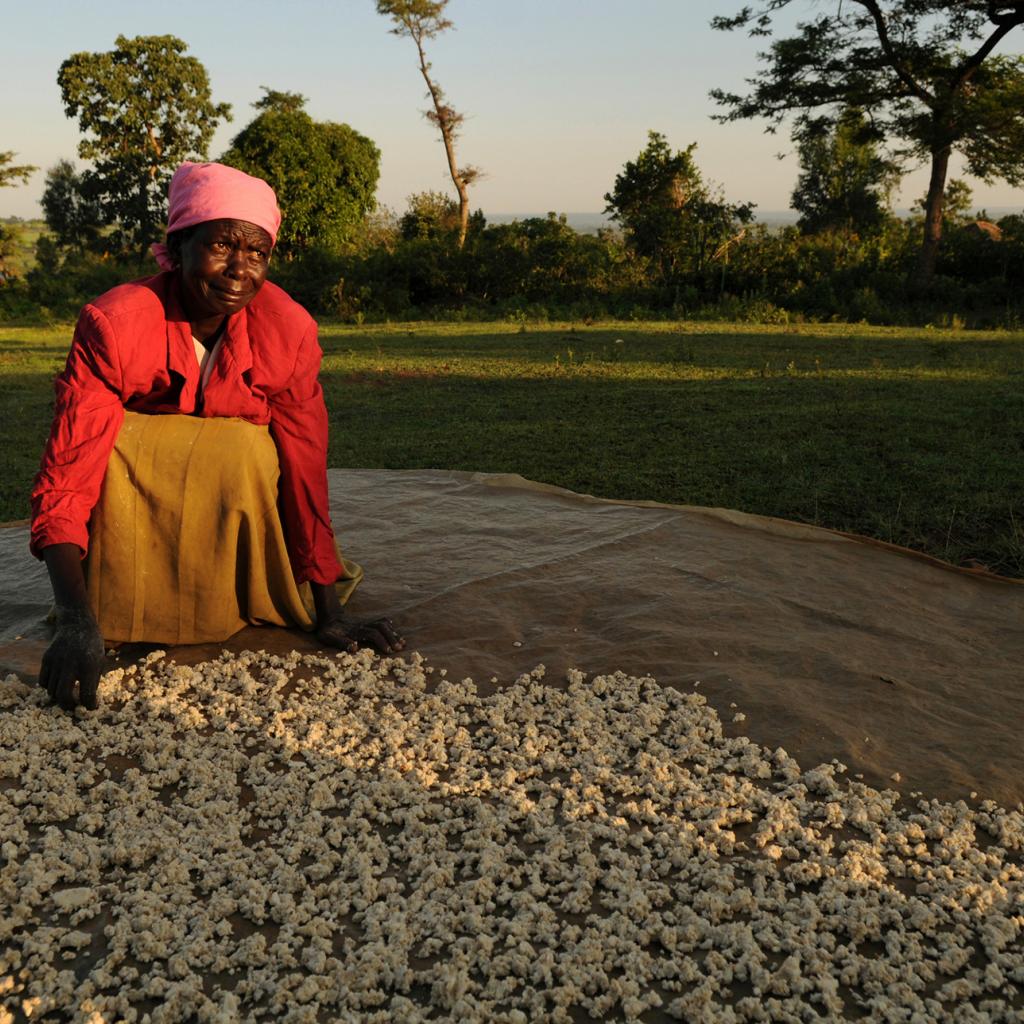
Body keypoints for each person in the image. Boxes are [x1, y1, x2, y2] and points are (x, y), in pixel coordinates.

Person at [30, 162, 403, 711]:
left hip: (233, 500)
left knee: (247, 447)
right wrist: (77, 621)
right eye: (222, 246)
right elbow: (68, 473)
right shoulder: (115, 324)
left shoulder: (289, 331)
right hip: (137, 501)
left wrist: (329, 612)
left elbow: (304, 466)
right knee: (119, 448)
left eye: (257, 253)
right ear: (178, 245)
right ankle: (117, 605)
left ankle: (229, 594)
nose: (240, 270)